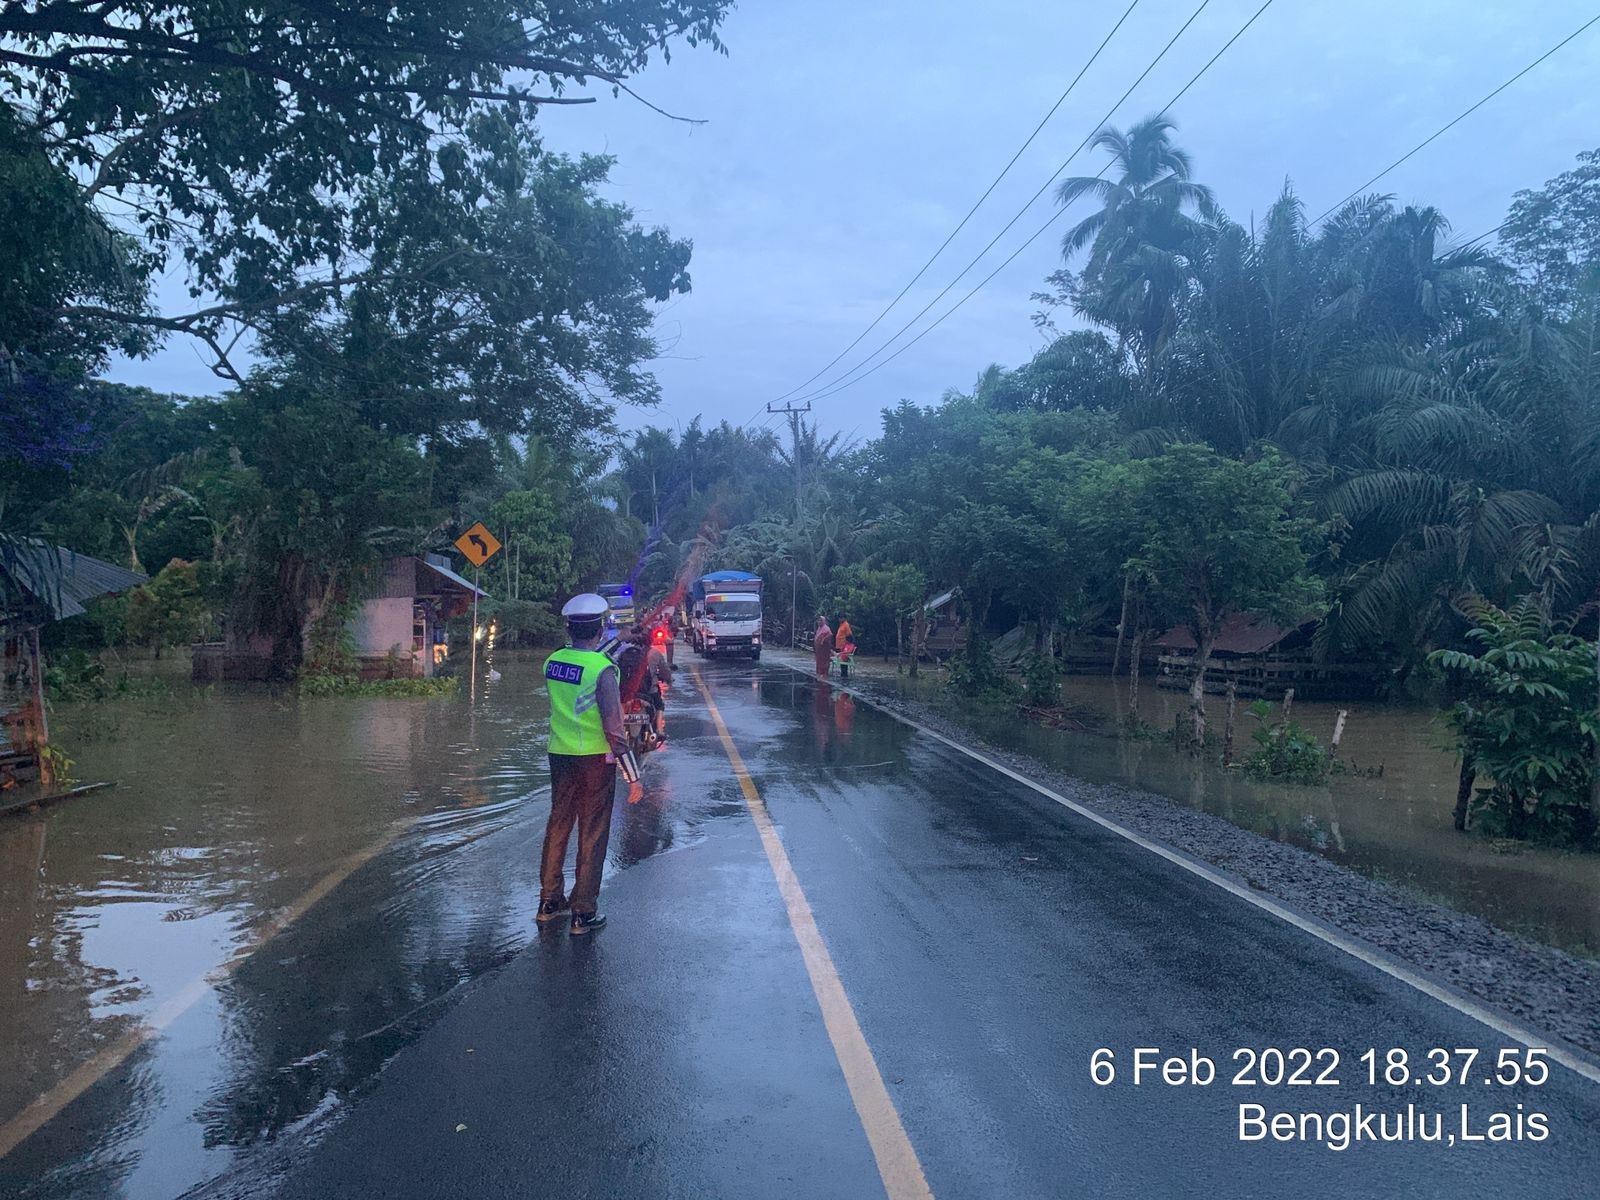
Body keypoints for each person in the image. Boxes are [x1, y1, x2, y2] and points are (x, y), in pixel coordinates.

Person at [539, 594, 643, 935]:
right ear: (599, 628)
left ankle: (549, 902)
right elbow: (615, 729)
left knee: (559, 826)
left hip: (559, 754)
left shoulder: (552, 662)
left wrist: (615, 643)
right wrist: (634, 776)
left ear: (569, 627)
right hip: (595, 760)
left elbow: (579, 662)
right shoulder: (603, 671)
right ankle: (583, 912)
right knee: (592, 833)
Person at [834, 615, 855, 680]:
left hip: (844, 646)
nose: (839, 619)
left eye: (841, 618)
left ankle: (844, 674)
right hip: (841, 646)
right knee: (841, 660)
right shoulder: (841, 625)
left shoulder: (846, 625)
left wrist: (847, 642)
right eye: (839, 618)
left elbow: (849, 634)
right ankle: (843, 674)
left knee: (843, 661)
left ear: (844, 618)